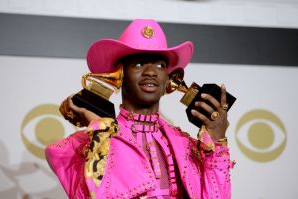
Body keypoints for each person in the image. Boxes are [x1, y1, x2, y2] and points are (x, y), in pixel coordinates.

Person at [45, 19, 234, 199]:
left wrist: (217, 144)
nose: (151, 72)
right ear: (119, 75)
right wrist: (100, 131)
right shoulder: (80, 146)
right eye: (139, 63)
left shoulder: (187, 147)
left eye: (160, 65)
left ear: (168, 78)